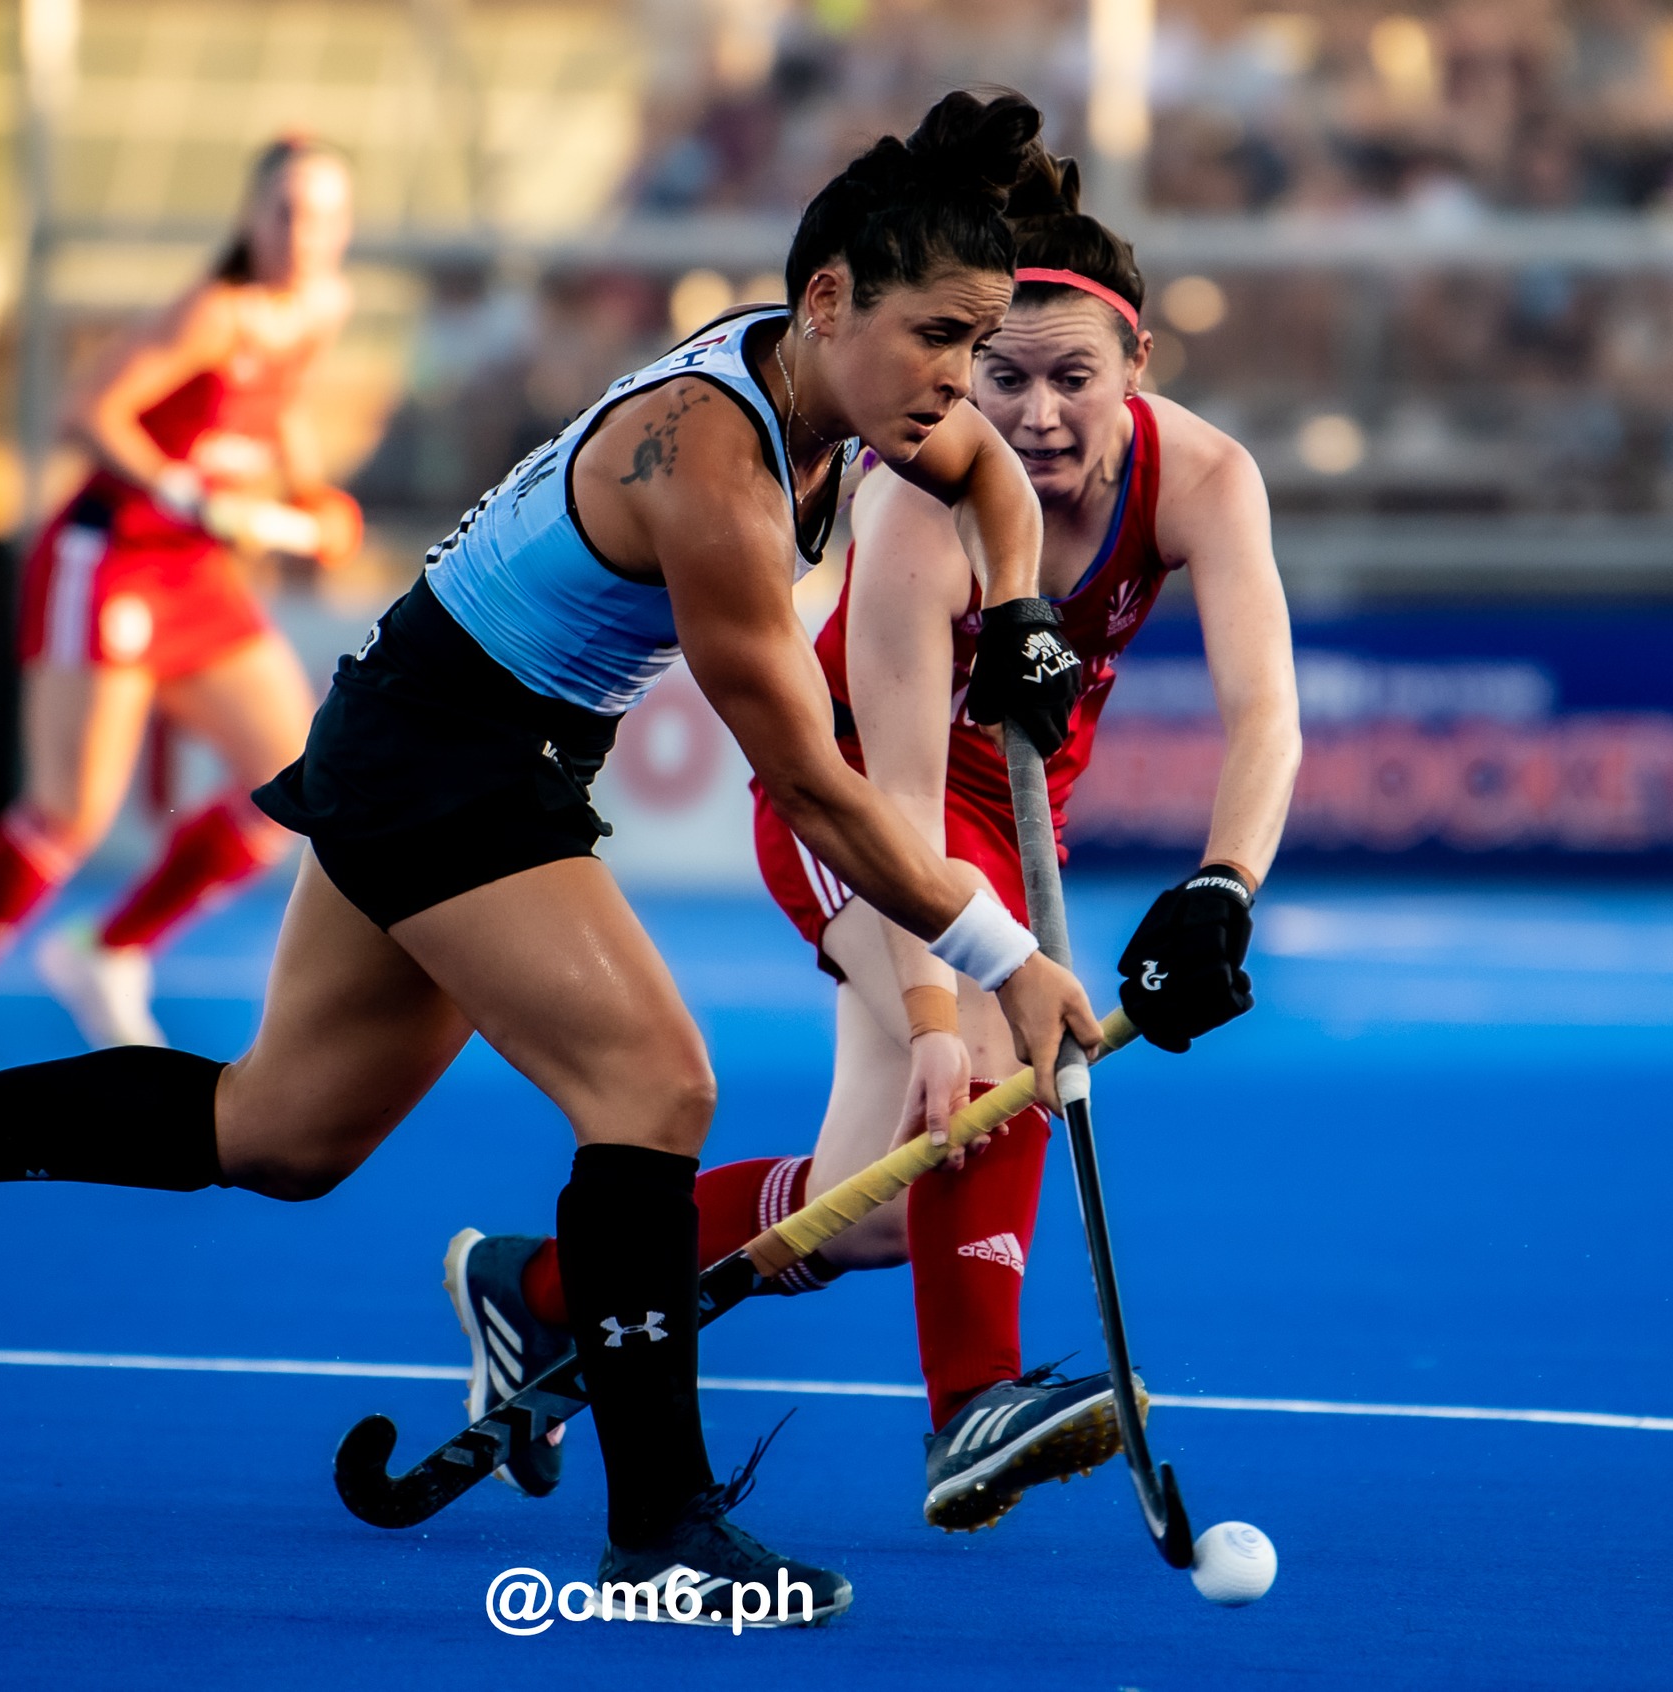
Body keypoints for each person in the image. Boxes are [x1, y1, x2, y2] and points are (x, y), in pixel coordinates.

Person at [0, 92, 1106, 1625]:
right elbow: (809, 777)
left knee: (283, 1132)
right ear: (827, 302)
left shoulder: (845, 391)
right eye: (942, 336)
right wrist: (1007, 955)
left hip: (436, 729)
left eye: (978, 339)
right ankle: (662, 1526)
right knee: (655, 1085)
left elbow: (994, 476)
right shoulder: (711, 471)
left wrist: (1019, 615)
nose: (962, 380)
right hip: (453, 760)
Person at [447, 150, 1302, 1536]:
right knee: (996, 1042)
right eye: (1000, 377)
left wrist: (1224, 883)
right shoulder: (917, 500)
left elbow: (1267, 714)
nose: (1031, 414)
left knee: (872, 1217)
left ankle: (537, 1291)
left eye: (1073, 378)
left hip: (1010, 835)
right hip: (849, 804)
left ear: (1136, 364)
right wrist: (933, 1013)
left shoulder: (1207, 478)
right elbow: (900, 802)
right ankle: (973, 1405)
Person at [0, 136, 364, 1078]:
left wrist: (308, 491)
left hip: (194, 571)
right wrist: (182, 491)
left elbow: (275, 409)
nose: (304, 234)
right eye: (286, 211)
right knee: (67, 813)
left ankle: (111, 950)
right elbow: (87, 410)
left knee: (295, 773)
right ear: (250, 221)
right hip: (114, 558)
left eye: (324, 216)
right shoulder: (215, 312)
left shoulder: (320, 308)